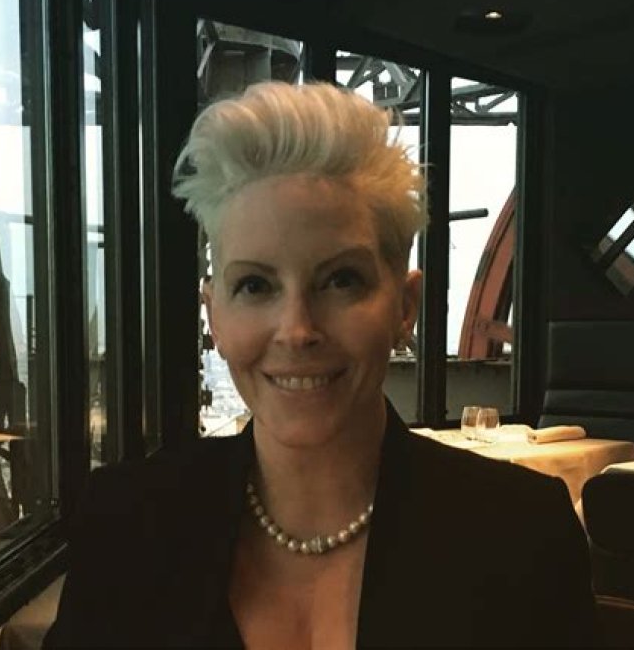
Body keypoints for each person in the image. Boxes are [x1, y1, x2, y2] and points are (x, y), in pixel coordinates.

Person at [43, 82, 597, 648]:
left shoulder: (522, 534)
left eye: (341, 280)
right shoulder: (127, 523)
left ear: (405, 306)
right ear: (214, 315)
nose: (297, 330)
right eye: (255, 285)